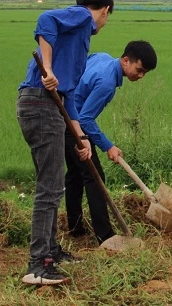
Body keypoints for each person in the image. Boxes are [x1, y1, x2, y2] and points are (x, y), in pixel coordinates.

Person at [17, 0, 114, 285]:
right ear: (104, 11)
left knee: (53, 185)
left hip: (50, 105)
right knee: (50, 187)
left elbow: (68, 95)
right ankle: (38, 265)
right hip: (41, 103)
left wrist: (80, 137)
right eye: (107, 17)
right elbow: (46, 19)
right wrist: (46, 67)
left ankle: (52, 251)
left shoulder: (79, 42)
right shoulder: (83, 18)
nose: (103, 23)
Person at [65, 41, 158, 244]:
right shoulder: (107, 83)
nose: (141, 76)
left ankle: (75, 228)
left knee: (75, 175)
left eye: (145, 73)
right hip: (74, 126)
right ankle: (105, 236)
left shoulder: (102, 58)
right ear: (126, 60)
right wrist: (108, 146)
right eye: (139, 70)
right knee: (94, 177)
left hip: (64, 117)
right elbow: (85, 119)